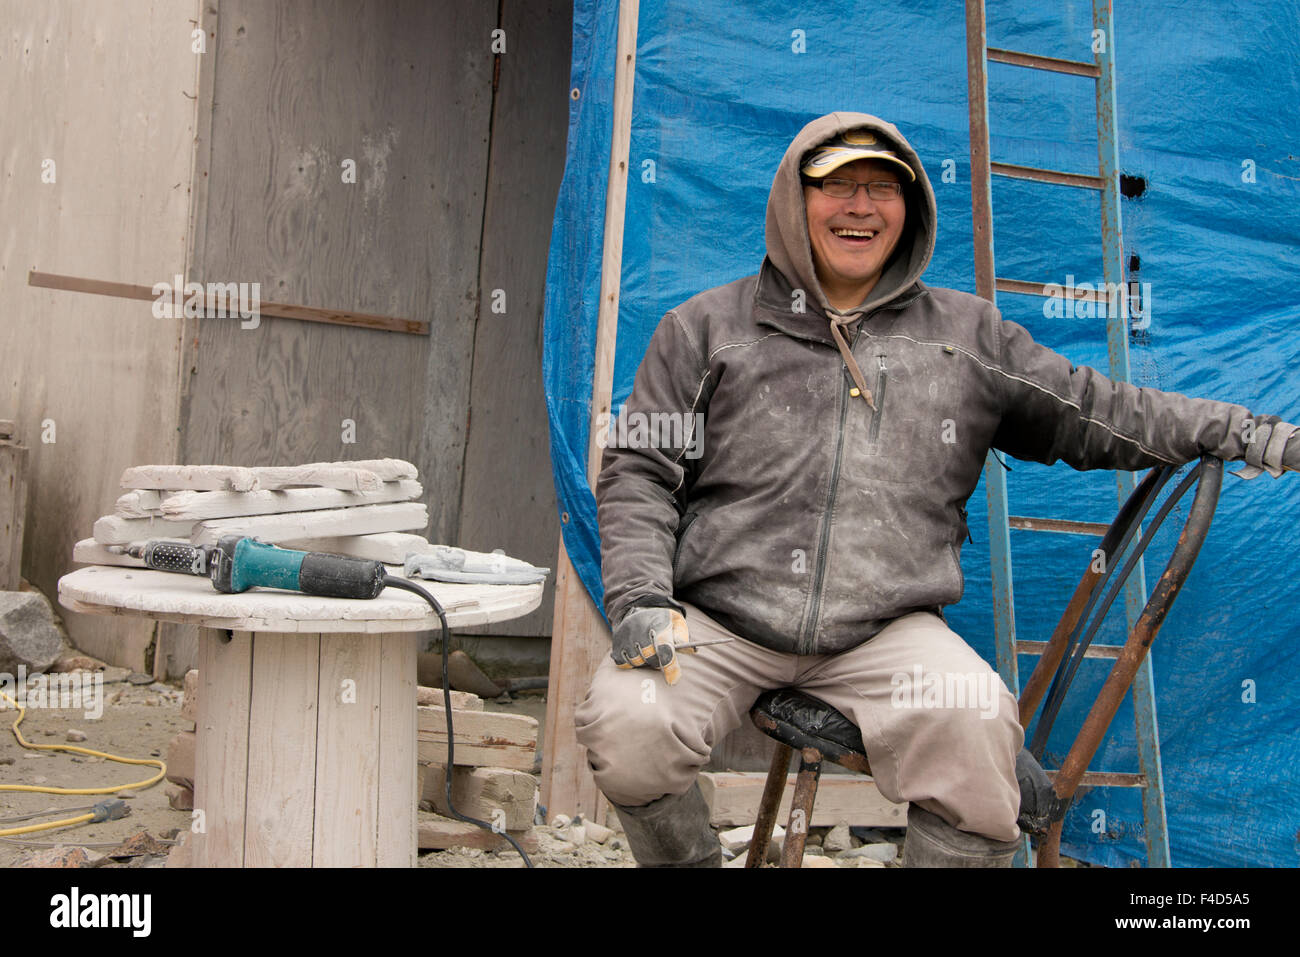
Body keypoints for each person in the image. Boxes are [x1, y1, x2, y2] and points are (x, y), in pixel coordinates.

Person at [573, 111, 1299, 867]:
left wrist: (1244, 431)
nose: (860, 207)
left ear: (911, 208)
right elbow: (640, 472)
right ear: (795, 199)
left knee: (981, 733)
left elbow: (1099, 411)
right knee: (631, 722)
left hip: (886, 632)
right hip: (720, 618)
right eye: (837, 185)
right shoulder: (704, 329)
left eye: (883, 188)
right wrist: (640, 599)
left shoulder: (966, 335)